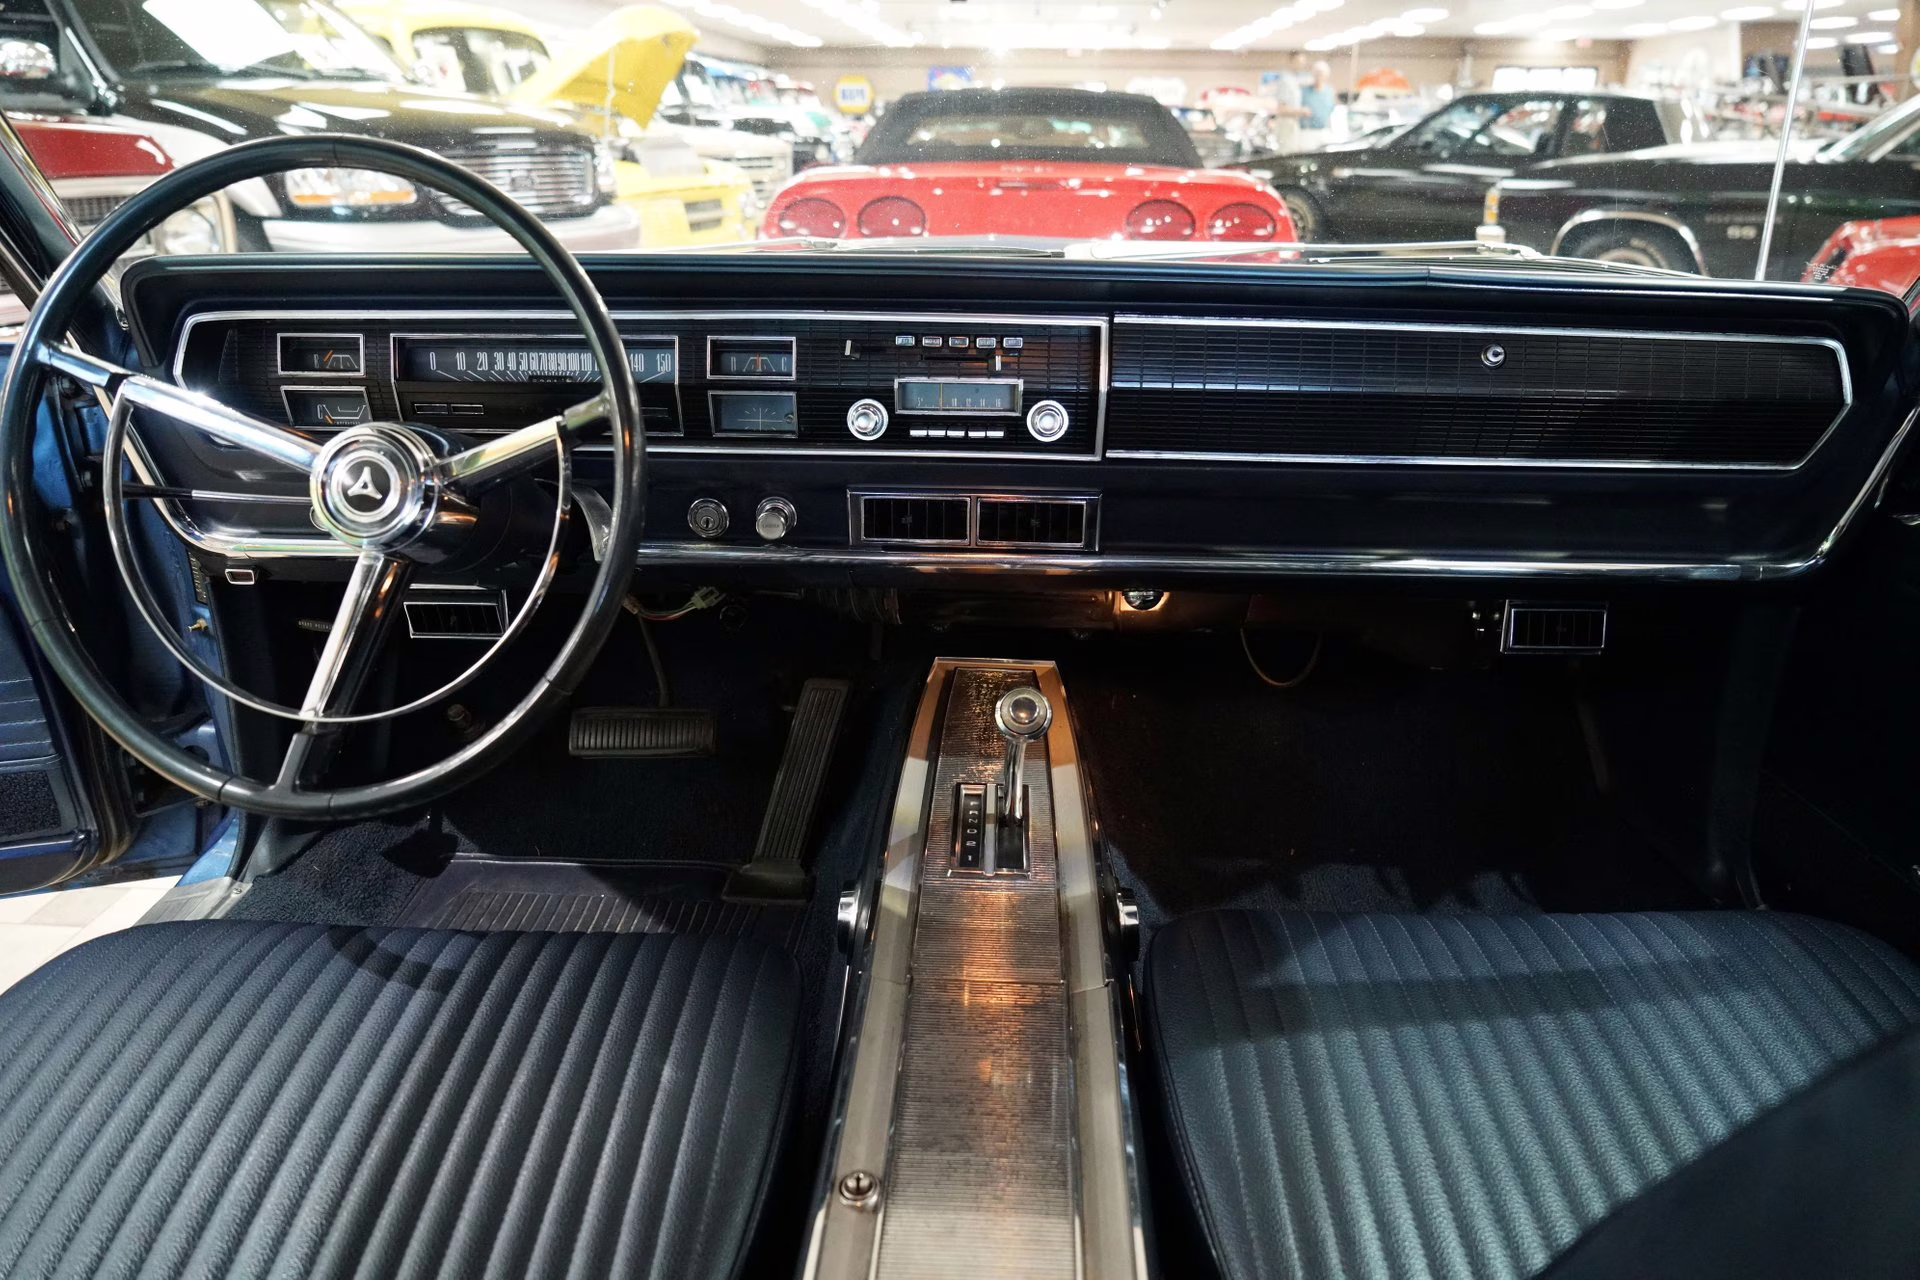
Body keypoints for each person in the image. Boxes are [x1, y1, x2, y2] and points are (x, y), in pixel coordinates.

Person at [1269, 52, 1309, 154]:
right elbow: (1282, 109)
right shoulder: (1285, 81)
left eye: (1303, 63)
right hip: (1286, 124)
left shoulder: (1295, 80)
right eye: (1298, 62)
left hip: (1293, 123)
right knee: (1287, 155)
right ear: (1291, 62)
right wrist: (1302, 111)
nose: (1301, 65)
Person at [1299, 60, 1337, 150]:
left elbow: (1331, 112)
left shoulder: (1330, 92)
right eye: (1317, 73)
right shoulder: (1304, 92)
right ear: (1313, 74)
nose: (1319, 76)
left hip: (1324, 131)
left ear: (1326, 75)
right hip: (1307, 132)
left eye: (1321, 73)